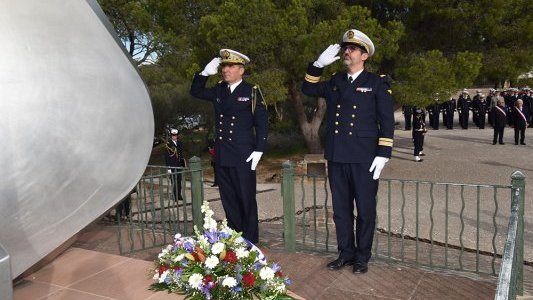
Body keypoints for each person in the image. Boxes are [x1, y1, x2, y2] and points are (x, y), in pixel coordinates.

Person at [302, 29, 394, 274]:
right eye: (345, 48)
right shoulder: (335, 82)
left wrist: (383, 153)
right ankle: (345, 253)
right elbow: (308, 89)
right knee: (341, 211)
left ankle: (362, 257)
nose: (346, 51)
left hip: (364, 157)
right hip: (337, 155)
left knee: (365, 210)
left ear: (364, 55)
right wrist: (318, 64)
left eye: (352, 48)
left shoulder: (376, 83)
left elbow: (386, 121)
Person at [190, 49, 268, 244]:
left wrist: (259, 149)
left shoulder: (251, 91)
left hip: (244, 154)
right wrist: (203, 74)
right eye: (224, 66)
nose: (226, 70)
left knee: (246, 198)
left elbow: (262, 123)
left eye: (231, 66)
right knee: (229, 198)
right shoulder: (219, 90)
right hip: (223, 153)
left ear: (241, 70)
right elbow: (195, 91)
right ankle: (235, 236)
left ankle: (250, 240)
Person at [165, 128, 186, 200]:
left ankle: (179, 195)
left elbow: (181, 154)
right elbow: (167, 157)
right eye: (173, 135)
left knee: (179, 180)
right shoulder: (168, 144)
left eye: (175, 135)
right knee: (174, 181)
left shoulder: (179, 142)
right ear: (171, 135)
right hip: (172, 165)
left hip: (179, 164)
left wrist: (183, 163)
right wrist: (168, 168)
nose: (174, 136)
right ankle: (175, 196)